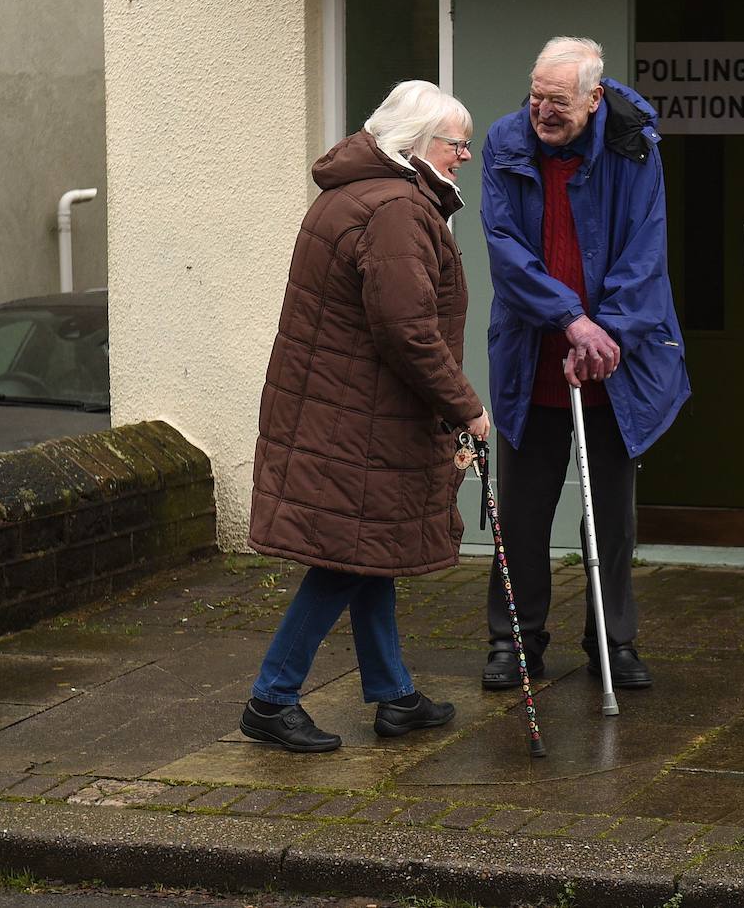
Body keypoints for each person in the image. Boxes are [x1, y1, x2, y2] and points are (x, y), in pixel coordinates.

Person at [240, 81, 490, 753]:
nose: (466, 155)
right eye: (458, 142)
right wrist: (466, 407)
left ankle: (393, 694)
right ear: (418, 143)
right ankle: (272, 697)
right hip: (359, 418)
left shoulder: (354, 194)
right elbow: (408, 331)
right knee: (346, 561)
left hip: (343, 410)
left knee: (368, 549)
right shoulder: (397, 209)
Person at [480, 37, 690, 691]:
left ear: (594, 98)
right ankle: (515, 641)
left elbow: (645, 252)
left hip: (612, 362)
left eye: (558, 101)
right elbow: (504, 249)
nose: (542, 111)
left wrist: (605, 336)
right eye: (535, 97)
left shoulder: (634, 148)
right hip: (533, 355)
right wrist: (570, 320)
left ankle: (613, 642)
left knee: (612, 517)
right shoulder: (505, 143)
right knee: (522, 513)